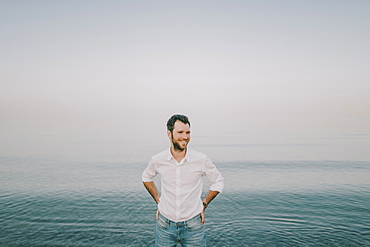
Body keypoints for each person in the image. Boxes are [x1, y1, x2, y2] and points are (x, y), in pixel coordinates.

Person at [142, 114, 224, 247]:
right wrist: (158, 199)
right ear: (169, 134)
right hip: (164, 225)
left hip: (193, 225)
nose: (185, 137)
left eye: (188, 132)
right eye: (180, 132)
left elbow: (218, 181)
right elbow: (146, 177)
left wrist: (204, 204)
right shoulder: (158, 159)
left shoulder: (201, 159)